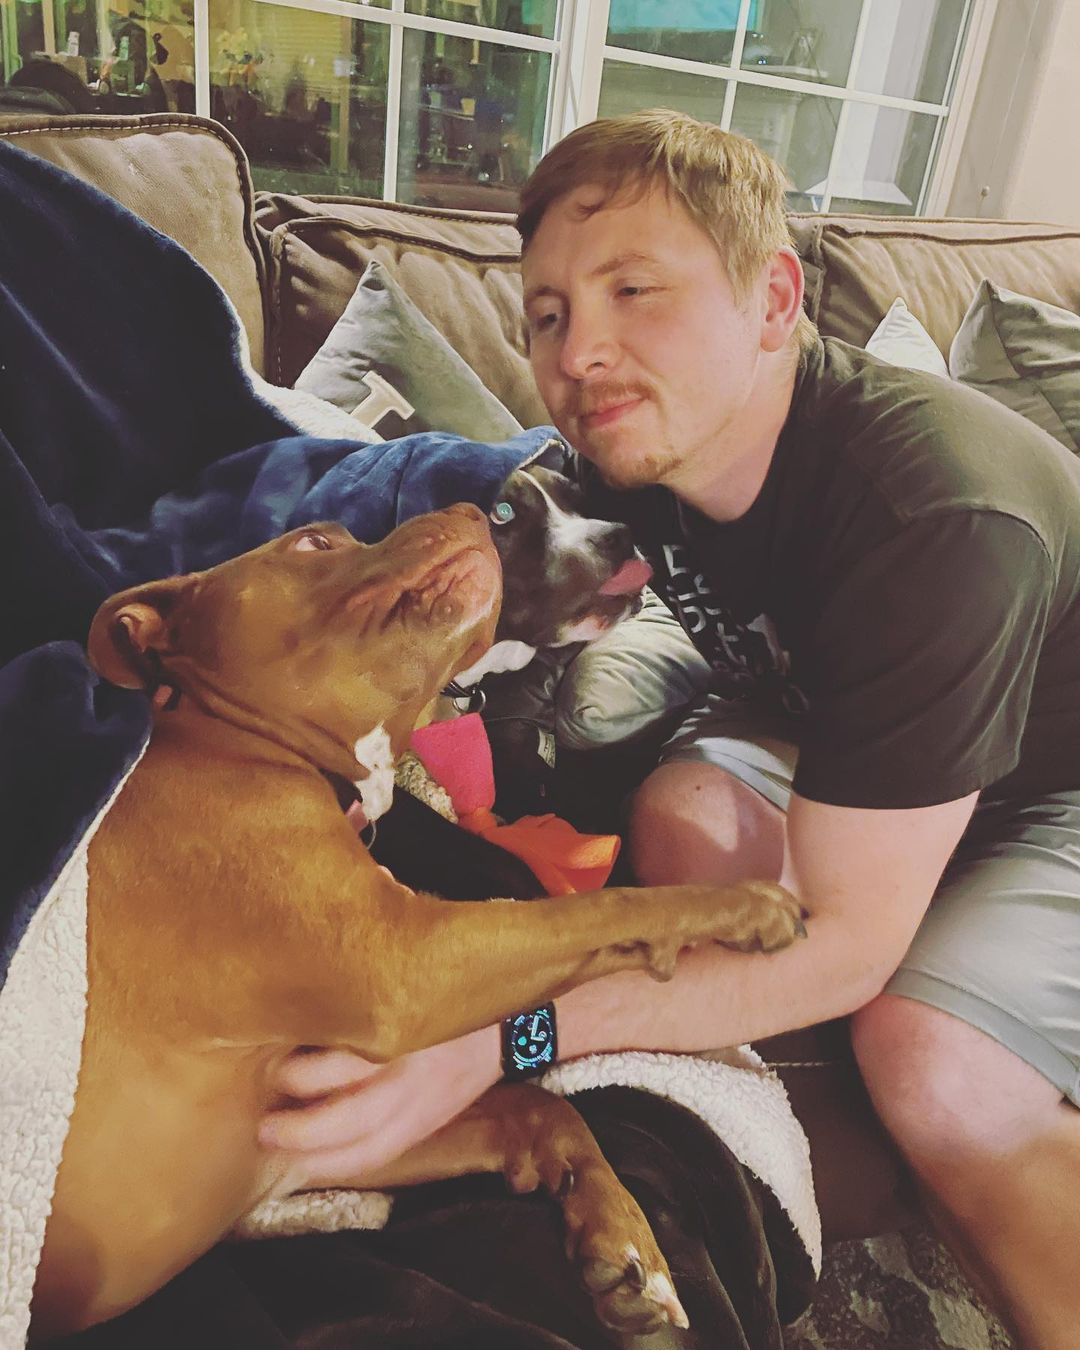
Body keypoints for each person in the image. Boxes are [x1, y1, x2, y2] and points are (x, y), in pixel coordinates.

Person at [264, 111, 1080, 1348]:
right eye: (546, 314)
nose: (581, 349)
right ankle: (880, 1164)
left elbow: (849, 946)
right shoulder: (640, 463)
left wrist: (500, 1040)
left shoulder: (935, 518)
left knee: (933, 1060)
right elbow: (468, 566)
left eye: (636, 290)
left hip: (1054, 776)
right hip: (870, 737)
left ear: (773, 299)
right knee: (681, 819)